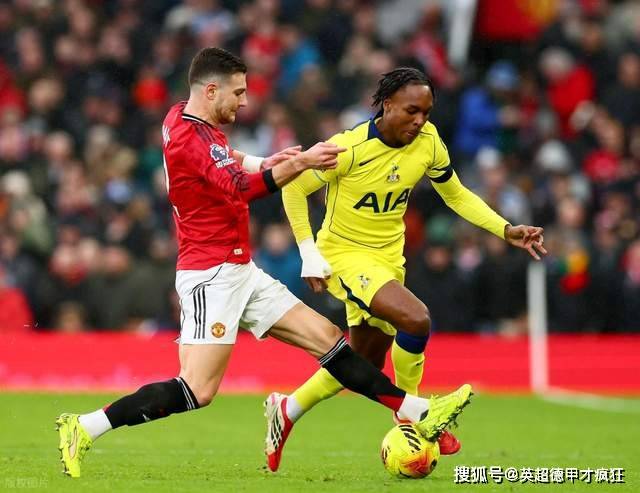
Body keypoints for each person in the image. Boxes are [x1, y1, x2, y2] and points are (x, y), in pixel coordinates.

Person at [55, 49, 473, 478]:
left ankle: (419, 413)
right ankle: (85, 426)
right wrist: (300, 162)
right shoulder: (188, 136)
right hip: (210, 275)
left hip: (241, 270)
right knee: (196, 390)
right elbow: (242, 189)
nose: (244, 101)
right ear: (211, 90)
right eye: (238, 93)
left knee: (330, 342)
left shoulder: (183, 116)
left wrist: (264, 161)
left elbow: (222, 156)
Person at [265, 67, 546, 472]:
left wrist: (505, 229)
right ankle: (414, 418)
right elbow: (294, 186)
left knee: (363, 364)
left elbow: (456, 194)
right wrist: (308, 252)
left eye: (426, 113)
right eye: (412, 111)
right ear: (387, 104)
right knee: (416, 318)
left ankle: (287, 410)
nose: (420, 121)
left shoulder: (428, 142)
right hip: (344, 256)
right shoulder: (349, 147)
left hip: (388, 260)